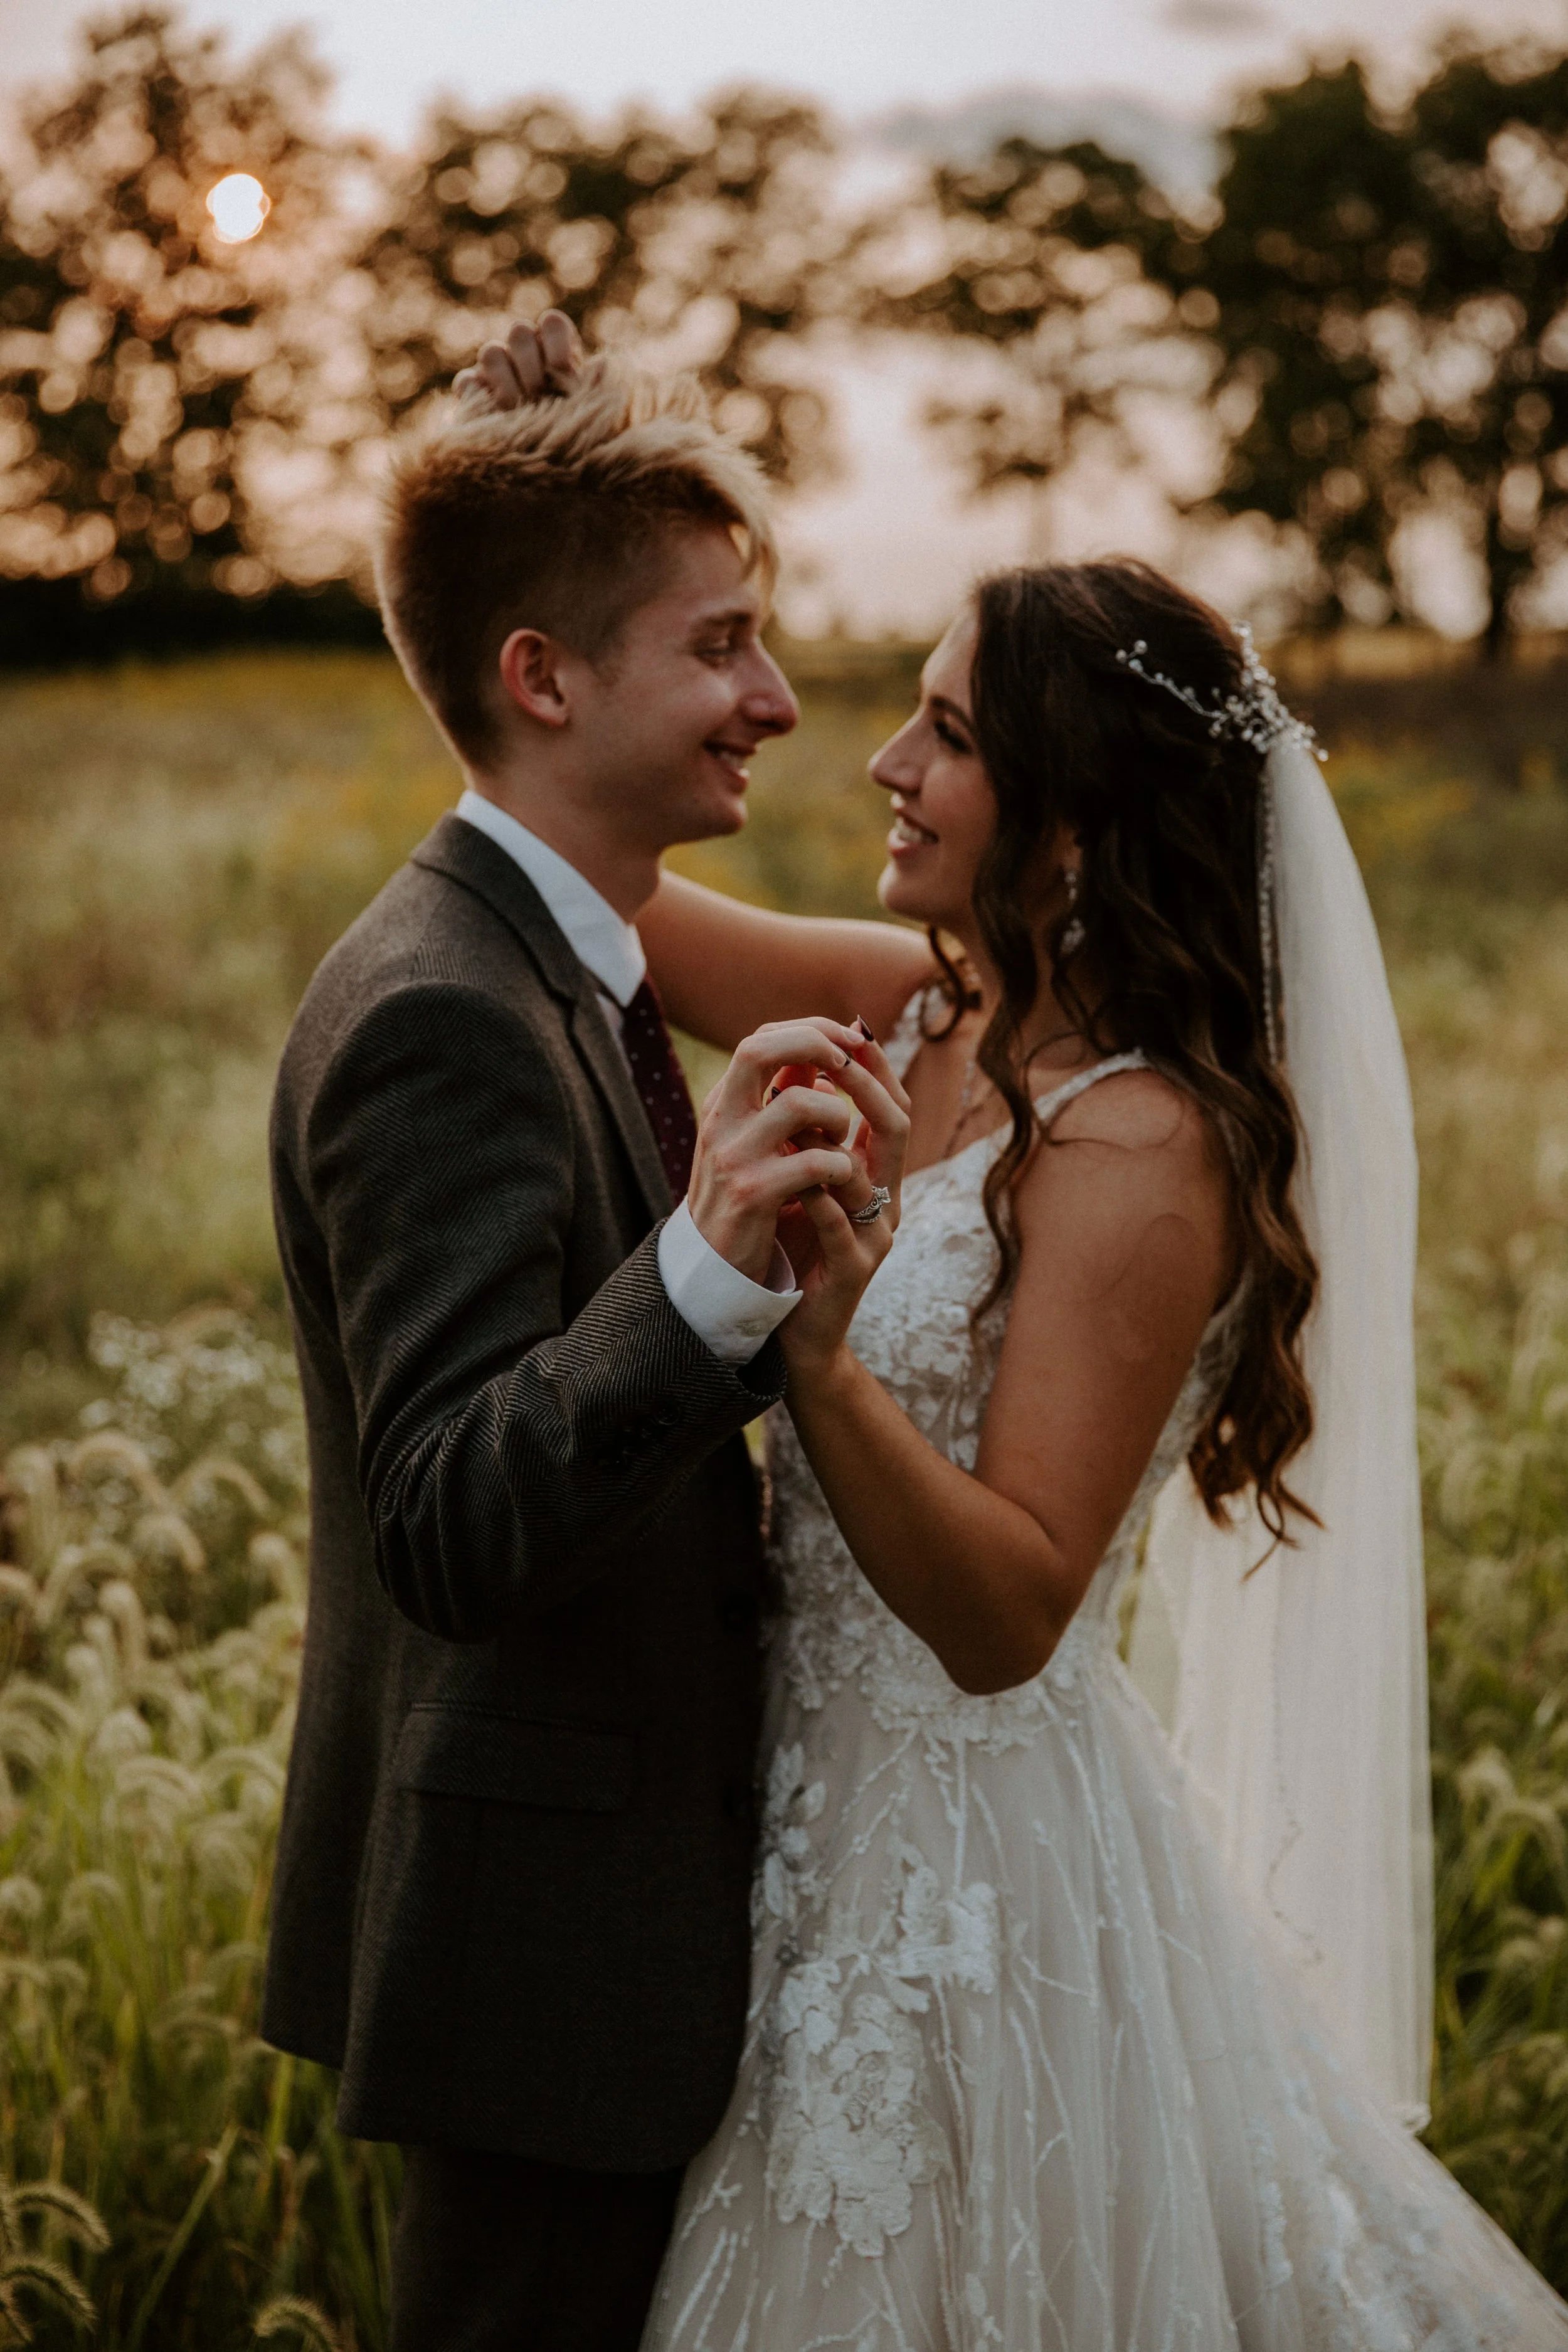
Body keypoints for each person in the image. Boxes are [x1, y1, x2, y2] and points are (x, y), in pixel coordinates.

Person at [621, 554, 1568, 2343]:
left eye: (950, 732)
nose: (884, 760)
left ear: (1069, 832)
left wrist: (821, 1365)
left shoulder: (1140, 1144)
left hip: (965, 1873)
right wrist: (534, 527)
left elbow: (1011, 1613)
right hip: (792, 1816)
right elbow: (611, 893)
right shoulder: (921, 1009)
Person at [259, 313, 911, 2352]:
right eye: (719, 646)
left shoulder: (572, 951)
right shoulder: (446, 1009)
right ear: (542, 680)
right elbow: (443, 1519)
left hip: (603, 1928)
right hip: (532, 1956)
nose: (778, 701)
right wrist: (706, 1268)